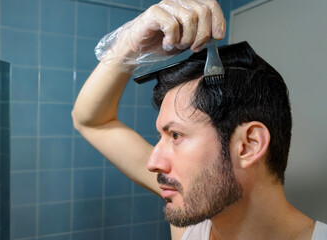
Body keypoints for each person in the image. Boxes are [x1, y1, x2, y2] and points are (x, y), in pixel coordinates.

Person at [72, 0, 327, 239]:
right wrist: (131, 42)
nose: (153, 162)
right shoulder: (194, 218)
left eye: (176, 136)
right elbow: (90, 120)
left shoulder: (195, 202)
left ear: (248, 144)